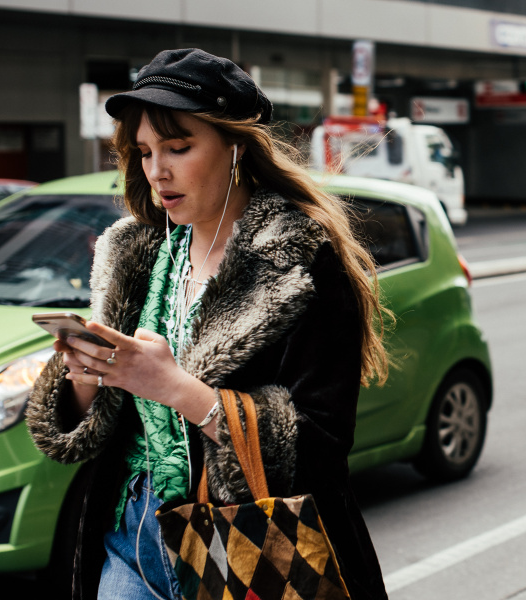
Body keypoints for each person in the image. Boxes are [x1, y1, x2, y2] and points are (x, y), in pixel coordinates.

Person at [26, 48, 389, 600]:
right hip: (132, 534)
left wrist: (175, 388)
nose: (157, 171)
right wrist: (86, 376)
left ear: (235, 146)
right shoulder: (135, 254)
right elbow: (88, 428)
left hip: (247, 543)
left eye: (178, 148)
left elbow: (320, 447)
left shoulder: (298, 261)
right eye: (145, 152)